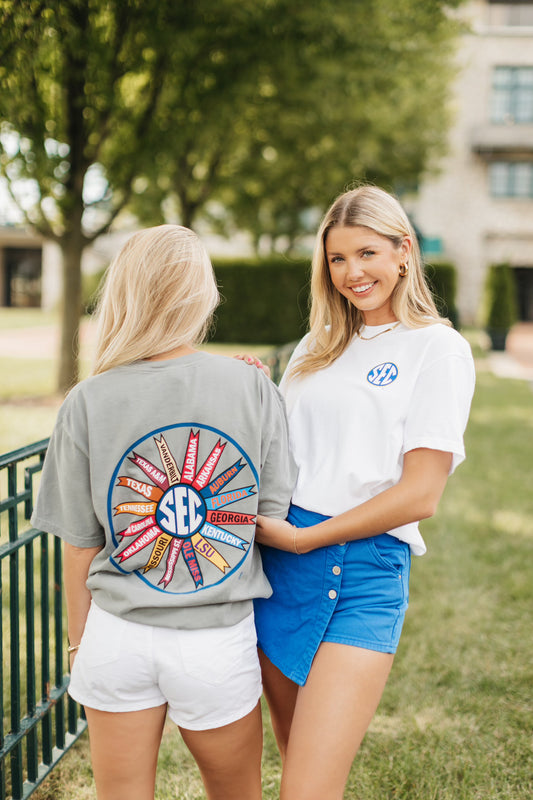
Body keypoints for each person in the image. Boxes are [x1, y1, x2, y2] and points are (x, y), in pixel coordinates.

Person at [31, 224, 296, 800]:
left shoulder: (86, 400)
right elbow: (269, 513)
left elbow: (79, 544)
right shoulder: (253, 387)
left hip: (116, 636)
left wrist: (83, 647)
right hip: (215, 637)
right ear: (203, 295)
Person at [252, 185, 475, 800]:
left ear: (404, 252)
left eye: (367, 253)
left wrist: (304, 539)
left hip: (360, 571)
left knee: (308, 789)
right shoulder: (315, 346)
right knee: (295, 762)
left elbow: (420, 494)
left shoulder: (438, 349)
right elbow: (288, 452)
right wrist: (251, 394)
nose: (352, 273)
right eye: (337, 259)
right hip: (279, 569)